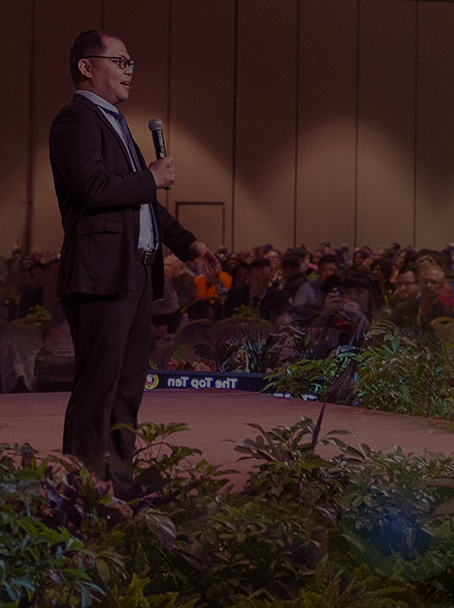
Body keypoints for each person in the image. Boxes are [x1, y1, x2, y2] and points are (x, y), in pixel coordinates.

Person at [48, 28, 218, 479]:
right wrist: (151, 175)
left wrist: (189, 244)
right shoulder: (75, 119)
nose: (129, 72)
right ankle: (82, 486)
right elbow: (95, 188)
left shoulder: (117, 123)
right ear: (87, 66)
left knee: (127, 389)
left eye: (130, 64)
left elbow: (140, 201)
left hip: (136, 275)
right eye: (120, 61)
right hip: (103, 275)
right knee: (97, 388)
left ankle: (117, 482)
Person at [220, 257, 285, 321]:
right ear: (248, 277)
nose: (261, 284)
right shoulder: (234, 295)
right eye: (256, 280)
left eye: (266, 280)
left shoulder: (278, 297)